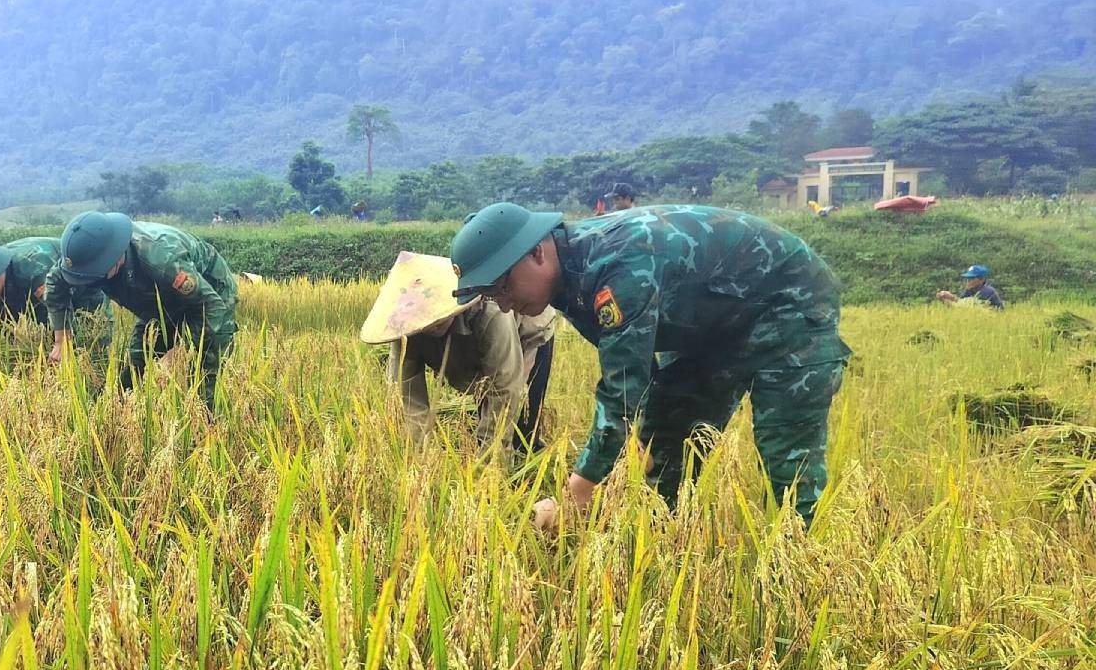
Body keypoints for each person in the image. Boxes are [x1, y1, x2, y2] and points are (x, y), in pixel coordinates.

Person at [451, 202, 849, 528]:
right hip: (712, 327)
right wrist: (633, 443)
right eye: (489, 294)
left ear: (537, 252)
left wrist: (578, 492)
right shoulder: (566, 280)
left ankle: (798, 575)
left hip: (788, 301)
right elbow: (638, 367)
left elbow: (624, 387)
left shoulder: (618, 264)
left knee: (787, 459)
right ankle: (663, 552)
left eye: (502, 286)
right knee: (665, 445)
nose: (501, 303)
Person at [360, 251, 558, 453]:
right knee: (484, 407)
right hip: (473, 346)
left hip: (527, 336)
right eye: (424, 323)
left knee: (521, 427)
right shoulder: (404, 327)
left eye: (436, 319)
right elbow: (408, 396)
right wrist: (419, 459)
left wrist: (489, 464)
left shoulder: (489, 311)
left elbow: (505, 388)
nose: (431, 326)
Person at [47, 212, 239, 410]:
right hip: (154, 298)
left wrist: (180, 351)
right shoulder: (82, 259)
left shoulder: (161, 259)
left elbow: (211, 305)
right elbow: (55, 283)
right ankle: (113, 414)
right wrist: (62, 341)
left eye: (93, 275)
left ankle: (208, 425)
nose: (88, 282)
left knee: (204, 374)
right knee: (137, 361)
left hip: (209, 295)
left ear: (116, 258)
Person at [0, 236, 105, 326]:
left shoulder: (34, 268)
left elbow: (59, 310)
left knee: (85, 333)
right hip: (19, 287)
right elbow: (5, 322)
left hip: (82, 288)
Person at [935, 265, 1005, 309]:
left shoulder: (988, 291)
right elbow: (960, 304)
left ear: (982, 279)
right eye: (968, 278)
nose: (969, 281)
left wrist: (951, 298)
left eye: (972, 278)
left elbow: (967, 308)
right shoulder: (969, 290)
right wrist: (945, 299)